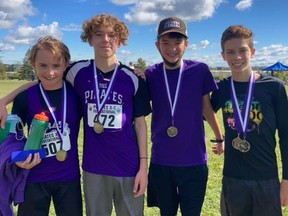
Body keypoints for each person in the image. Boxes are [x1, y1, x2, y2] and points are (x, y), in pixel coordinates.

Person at [0, 14, 151, 216]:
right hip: (84, 170)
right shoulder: (78, 72)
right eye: (99, 34)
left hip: (122, 167)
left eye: (112, 35)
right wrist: (4, 100)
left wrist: (143, 166)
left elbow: (141, 124)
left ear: (121, 40)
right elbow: (43, 80)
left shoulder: (132, 78)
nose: (105, 39)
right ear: (90, 39)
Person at [144, 17, 224, 216]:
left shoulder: (200, 71)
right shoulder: (151, 74)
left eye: (178, 43)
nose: (172, 48)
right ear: (157, 45)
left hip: (194, 161)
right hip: (162, 161)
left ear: (186, 44)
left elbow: (207, 108)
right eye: (166, 43)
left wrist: (220, 137)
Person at [210, 25, 288, 216]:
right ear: (223, 55)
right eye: (230, 52)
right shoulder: (222, 88)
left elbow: (286, 135)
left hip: (266, 178)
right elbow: (202, 110)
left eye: (242, 50)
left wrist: (286, 179)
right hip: (233, 177)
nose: (236, 57)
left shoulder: (273, 87)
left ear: (252, 52)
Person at [8, 36, 82, 216]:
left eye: (56, 66)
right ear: (33, 64)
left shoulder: (76, 93)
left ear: (66, 65)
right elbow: (13, 136)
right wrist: (17, 157)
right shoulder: (26, 96)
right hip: (33, 176)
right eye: (43, 65)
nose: (50, 73)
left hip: (68, 177)